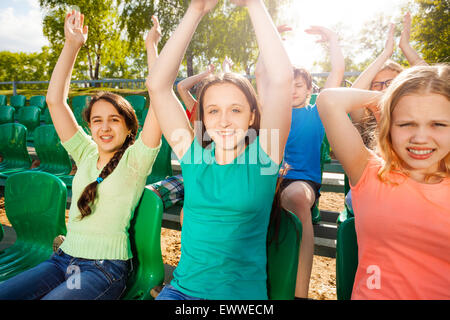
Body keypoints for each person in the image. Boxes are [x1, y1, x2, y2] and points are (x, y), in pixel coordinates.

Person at [0, 10, 162, 300]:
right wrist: (72, 46)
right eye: (98, 120)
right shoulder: (85, 151)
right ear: (90, 126)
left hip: (102, 269)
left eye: (115, 119)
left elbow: (160, 97)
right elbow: (54, 100)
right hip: (62, 259)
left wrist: (152, 49)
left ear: (129, 128)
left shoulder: (136, 160)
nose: (105, 127)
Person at [146, 0, 293, 300]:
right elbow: (158, 85)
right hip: (181, 293)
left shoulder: (263, 161)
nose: (224, 121)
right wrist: (195, 11)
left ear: (252, 117)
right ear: (203, 118)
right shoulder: (194, 157)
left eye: (235, 110)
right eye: (213, 111)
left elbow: (281, 81)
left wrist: (254, 4)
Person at [317, 64, 450, 299]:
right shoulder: (371, 173)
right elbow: (329, 101)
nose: (420, 137)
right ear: (388, 125)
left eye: (438, 124)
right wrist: (388, 97)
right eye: (405, 123)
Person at [256, 24, 344, 298]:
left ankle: (299, 291)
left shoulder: (318, 110)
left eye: (299, 85)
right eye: (288, 84)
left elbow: (338, 73)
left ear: (309, 89)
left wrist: (332, 39)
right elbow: (261, 73)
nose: (293, 90)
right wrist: (272, 36)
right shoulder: (272, 108)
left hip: (301, 182)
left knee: (294, 197)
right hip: (269, 179)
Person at [346, 12, 428, 210]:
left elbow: (437, 81)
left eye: (389, 83)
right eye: (377, 84)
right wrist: (384, 54)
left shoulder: (419, 115)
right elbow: (350, 96)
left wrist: (405, 48)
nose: (383, 88)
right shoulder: (366, 118)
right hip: (375, 192)